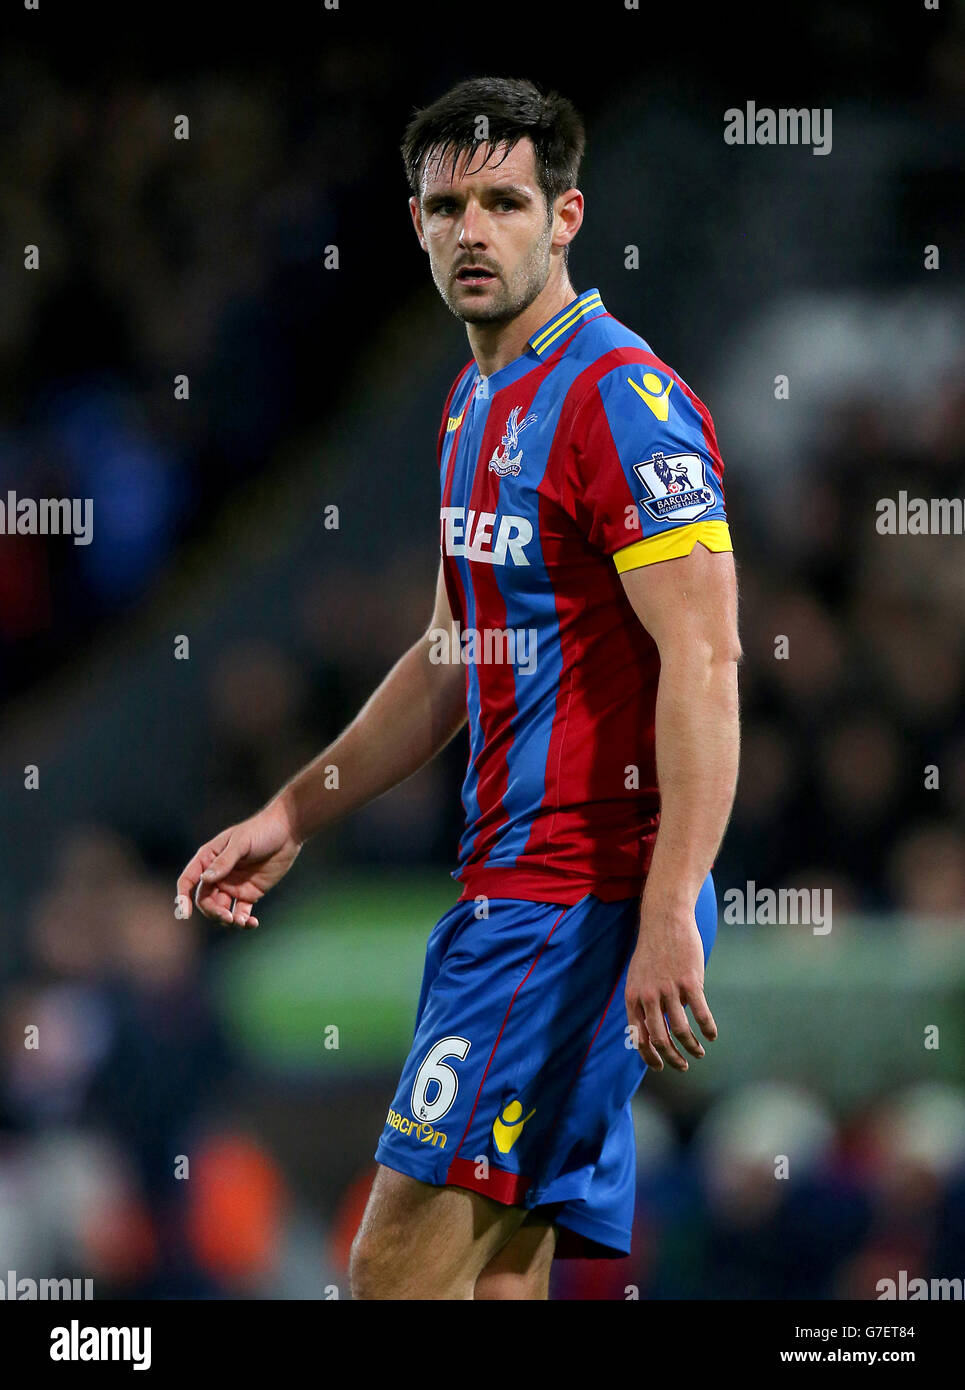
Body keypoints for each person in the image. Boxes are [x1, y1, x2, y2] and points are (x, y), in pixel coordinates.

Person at [177, 76, 741, 1300]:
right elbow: (450, 653)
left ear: (566, 216)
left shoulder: (618, 402)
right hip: (509, 895)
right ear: (417, 224)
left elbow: (704, 662)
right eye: (445, 206)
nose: (471, 231)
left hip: (581, 903)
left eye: (502, 201)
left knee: (390, 1267)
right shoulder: (476, 397)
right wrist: (289, 815)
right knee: (494, 1280)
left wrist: (666, 906)